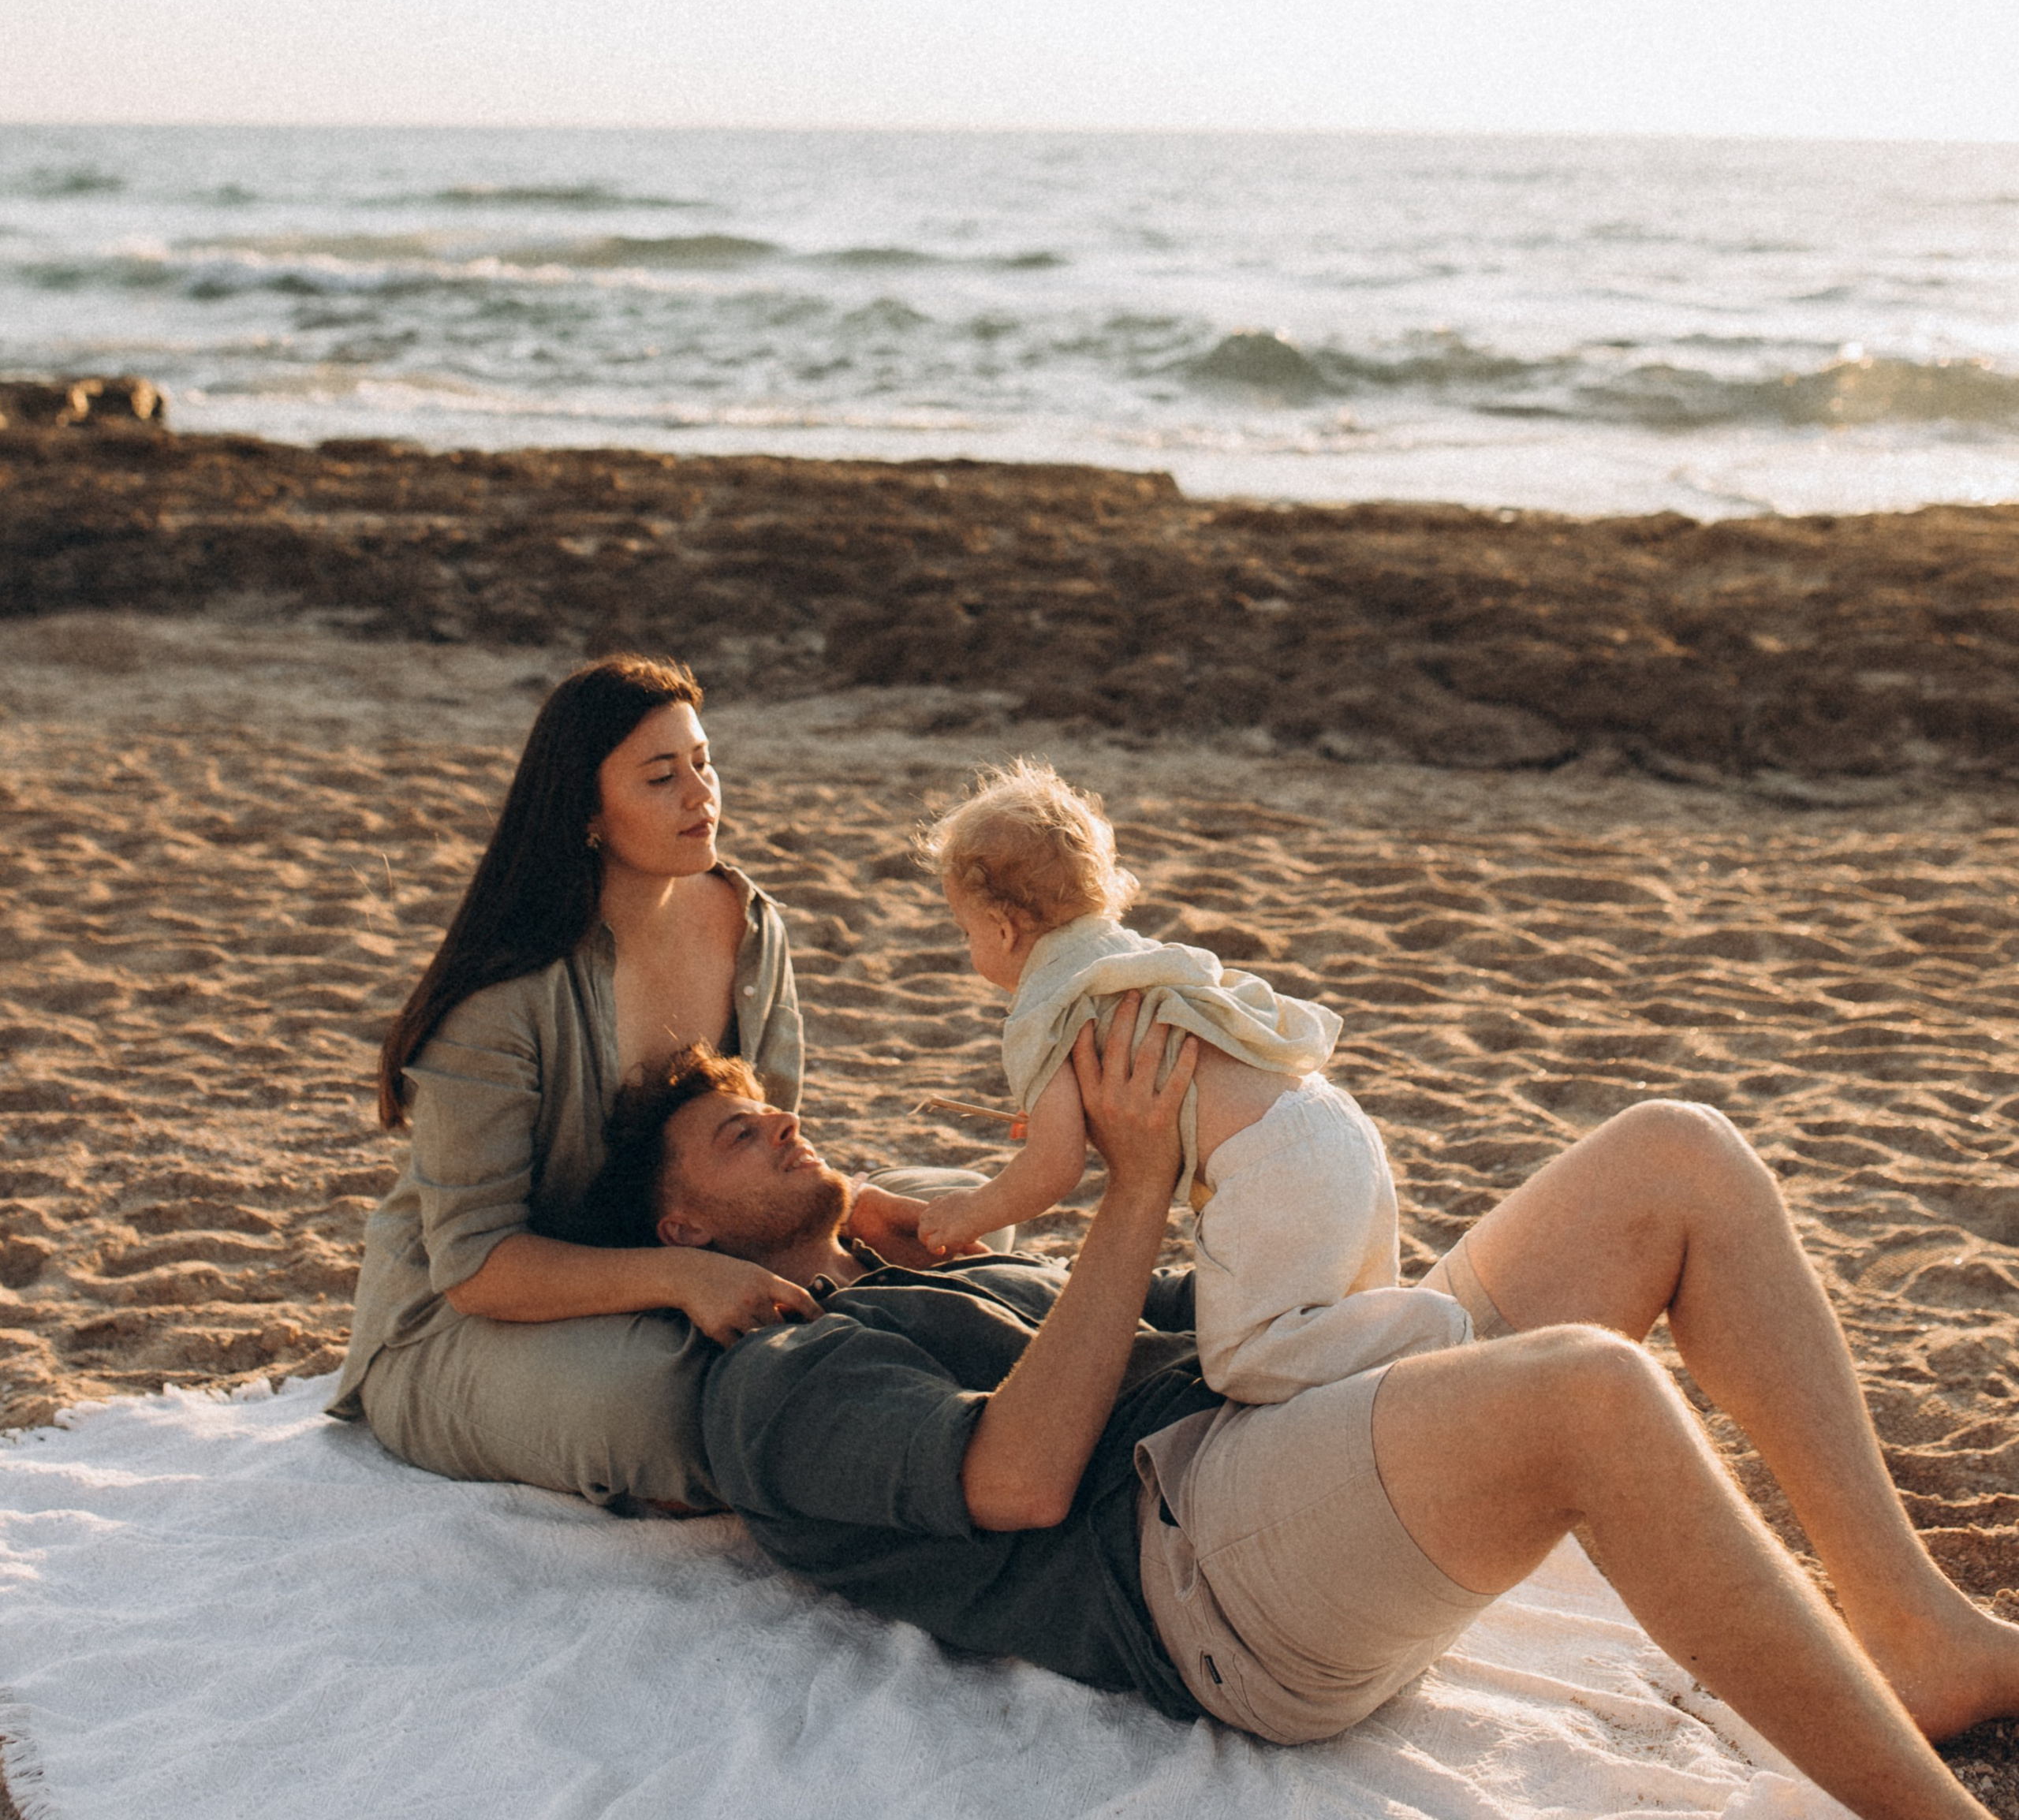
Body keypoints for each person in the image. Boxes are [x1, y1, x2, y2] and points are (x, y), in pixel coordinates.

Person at [603, 1013, 2019, 1820]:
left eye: (771, 1105)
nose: (785, 1123)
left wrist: (1245, 1136)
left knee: (1674, 1155)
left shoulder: (931, 1260)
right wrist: (1139, 1184)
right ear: (682, 1223)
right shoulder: (773, 1386)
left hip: (1270, 1431)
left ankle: (1916, 1633)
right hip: (1201, 1573)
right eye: (740, 1135)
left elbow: (1196, 1309)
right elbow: (1021, 1478)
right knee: (1592, 1392)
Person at [330, 653, 950, 1512]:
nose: (702, 795)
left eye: (703, 762)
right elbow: (475, 1266)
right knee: (660, 1404)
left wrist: (848, 1209)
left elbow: (756, 1128)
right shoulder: (504, 999)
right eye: (662, 777)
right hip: (474, 1312)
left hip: (681, 1241)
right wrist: (681, 1279)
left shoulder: (746, 923)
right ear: (586, 810)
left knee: (951, 1211)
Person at [912, 761, 1454, 1402]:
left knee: (1245, 1361)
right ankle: (1444, 1365)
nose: (970, 945)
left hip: (1269, 1165)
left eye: (965, 929)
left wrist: (965, 1213)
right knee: (1348, 1342)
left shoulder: (1045, 1005)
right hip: (1337, 1126)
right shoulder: (1129, 956)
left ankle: (1443, 1322)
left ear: (1001, 927)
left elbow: (1052, 1167)